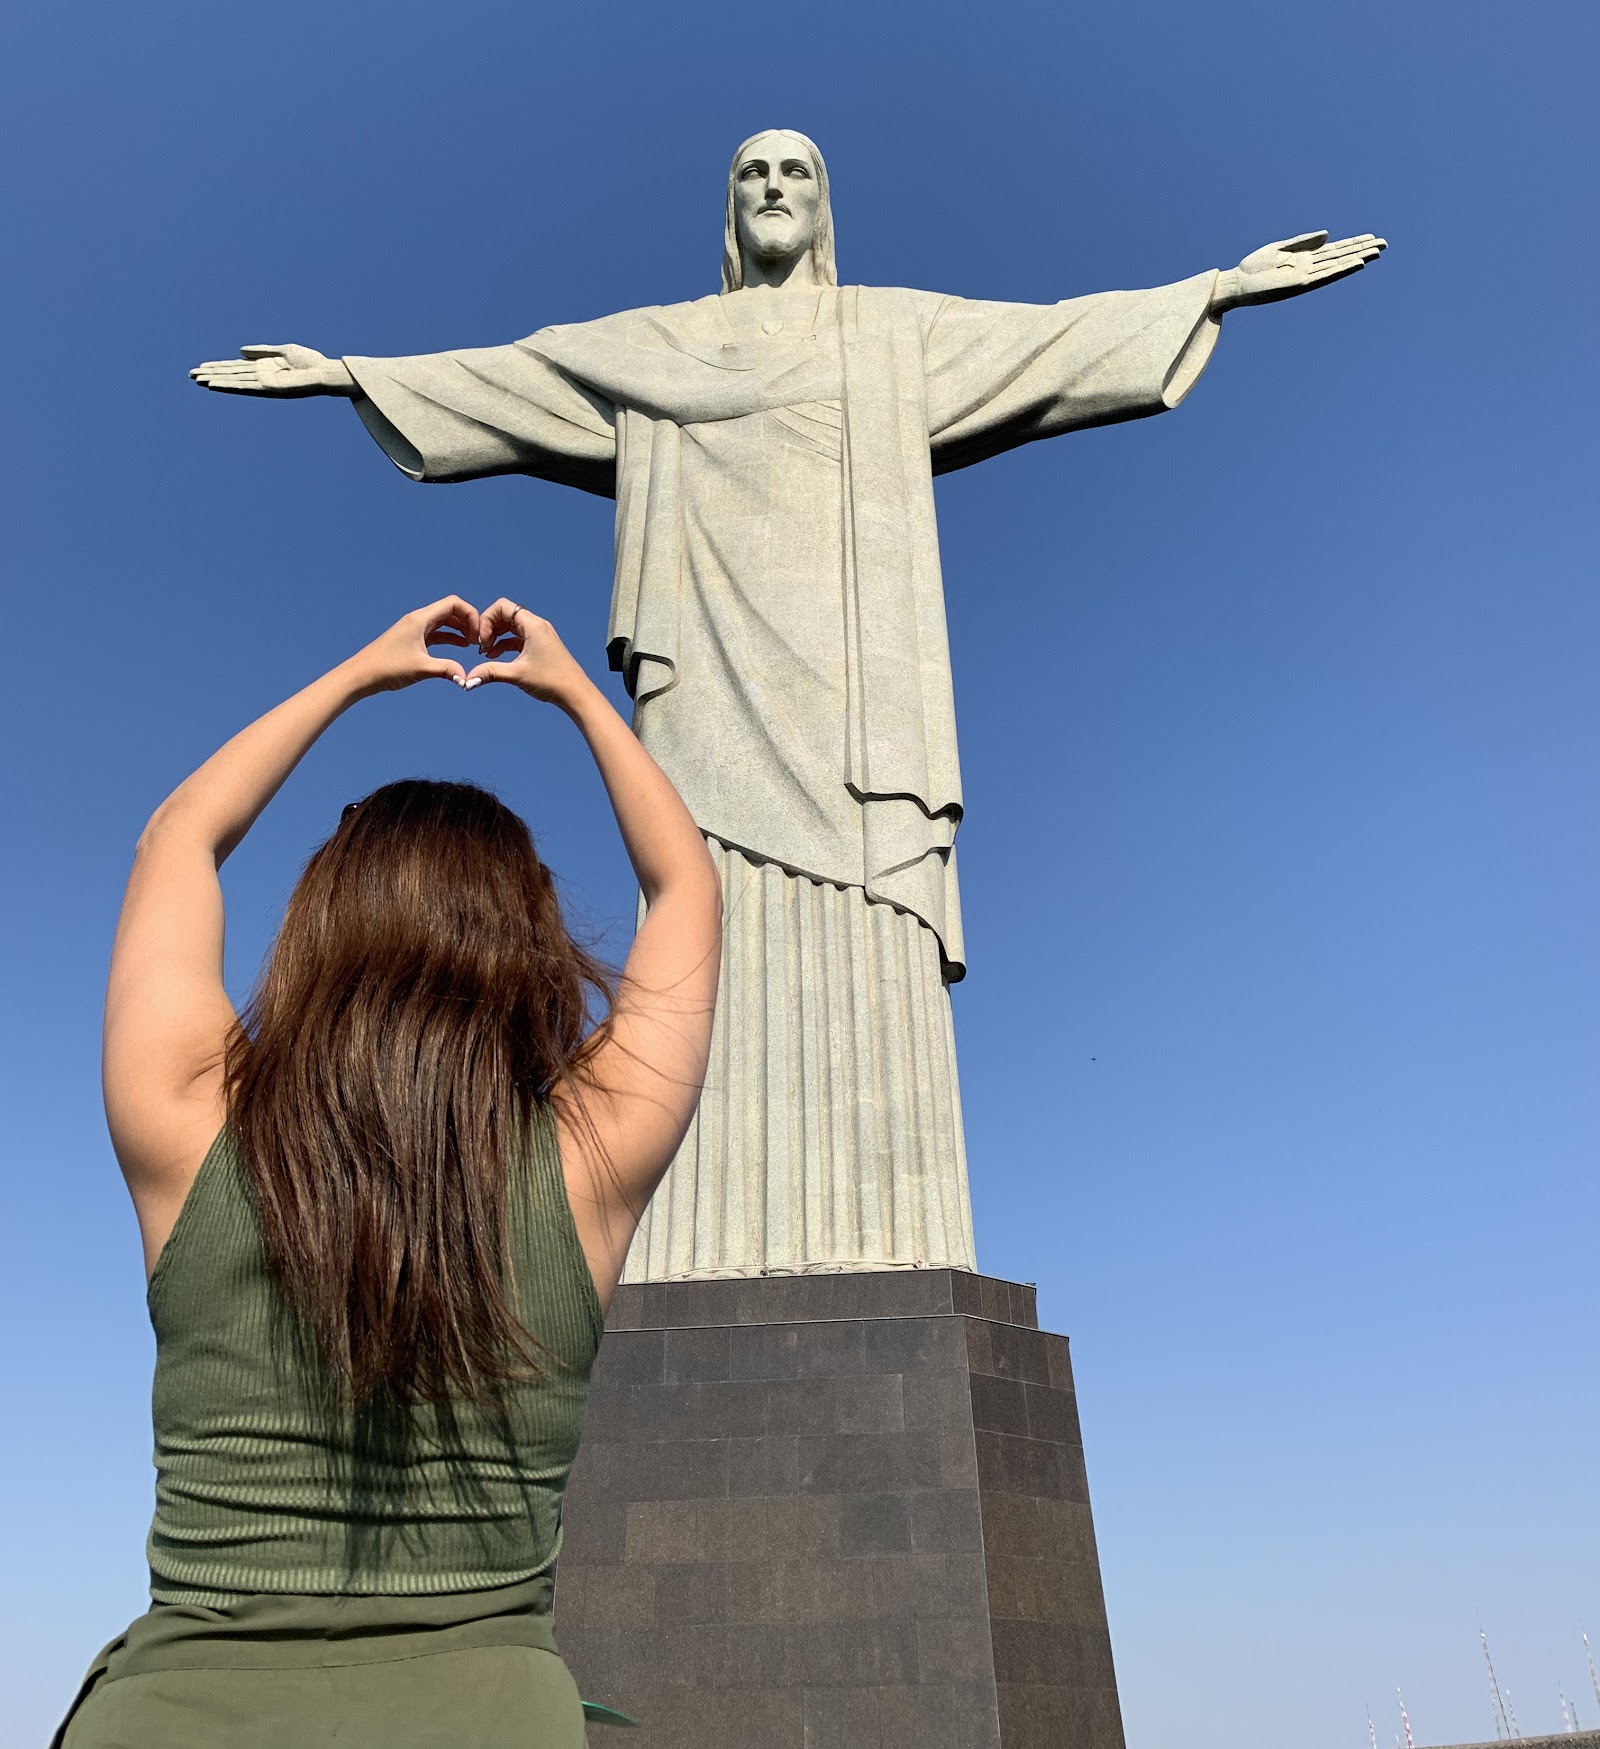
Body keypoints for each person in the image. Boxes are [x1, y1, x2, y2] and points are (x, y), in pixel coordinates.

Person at [190, 129, 1384, 1285]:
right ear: (729, 205)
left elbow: (1050, 341)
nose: (772, 185)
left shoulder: (889, 335)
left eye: (795, 171)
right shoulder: (654, 346)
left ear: (823, 204)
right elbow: (518, 373)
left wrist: (1215, 290)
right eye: (751, 171)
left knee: (862, 927)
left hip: (861, 698)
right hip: (705, 685)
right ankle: (692, 1242)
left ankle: (885, 1229)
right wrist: (352, 374)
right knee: (697, 892)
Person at [55, 595, 722, 1749]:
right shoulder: (586, 1165)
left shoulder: (186, 1124)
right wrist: (572, 690)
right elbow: (687, 887)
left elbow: (177, 837)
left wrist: (360, 673)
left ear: (319, 922)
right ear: (529, 948)